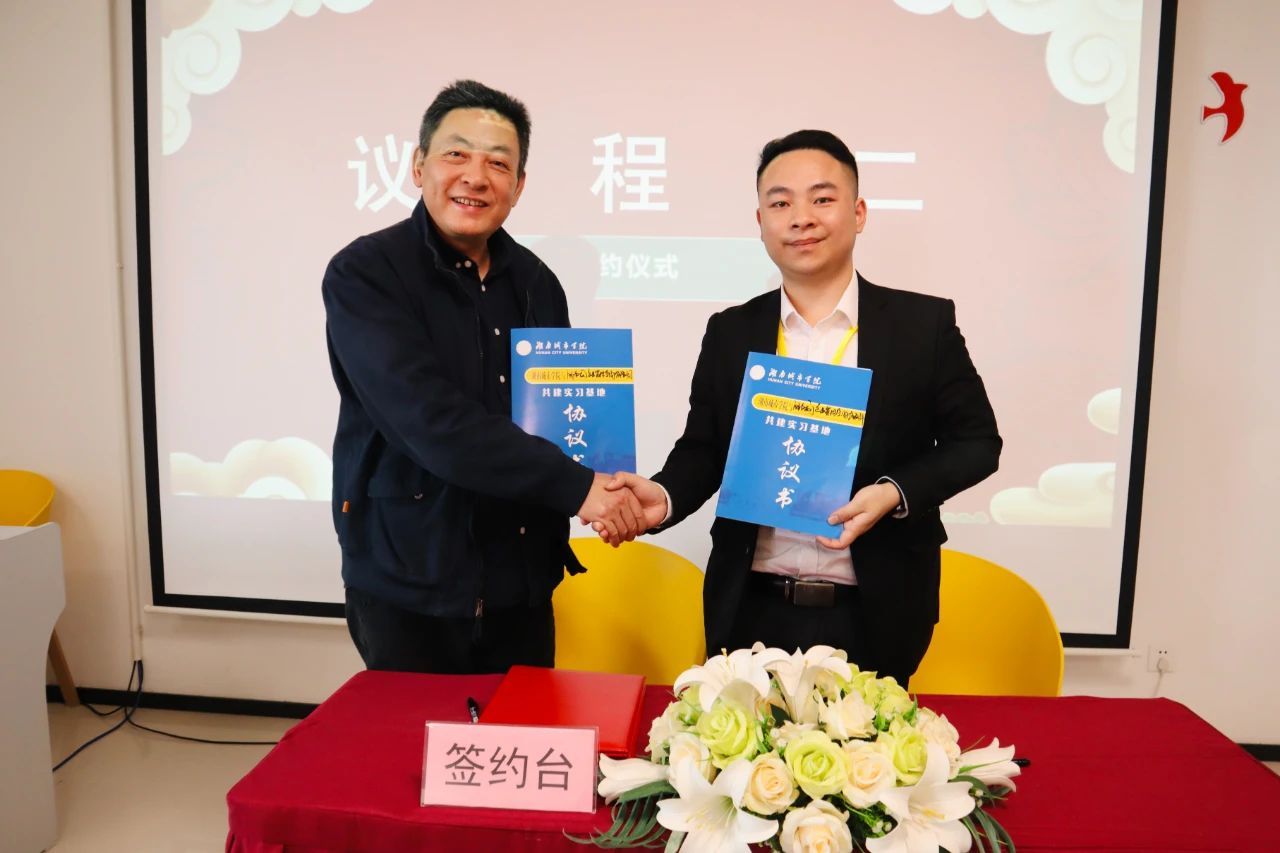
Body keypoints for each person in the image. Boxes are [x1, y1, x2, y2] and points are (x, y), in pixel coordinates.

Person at [605, 130, 1001, 684]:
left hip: (877, 610)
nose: (801, 218)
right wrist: (665, 496)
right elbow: (706, 449)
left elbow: (978, 443)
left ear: (858, 213)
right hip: (751, 609)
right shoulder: (731, 331)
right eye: (781, 203)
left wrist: (893, 492)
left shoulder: (922, 326)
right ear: (760, 221)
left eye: (822, 198)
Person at [322, 80, 644, 674]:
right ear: (418, 166)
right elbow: (430, 422)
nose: (476, 176)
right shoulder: (366, 274)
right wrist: (580, 488)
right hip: (409, 585)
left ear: (518, 186)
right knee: (411, 736)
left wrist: (603, 484)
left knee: (521, 732)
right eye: (456, 154)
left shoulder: (538, 282)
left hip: (520, 586)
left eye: (498, 163)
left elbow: (562, 412)